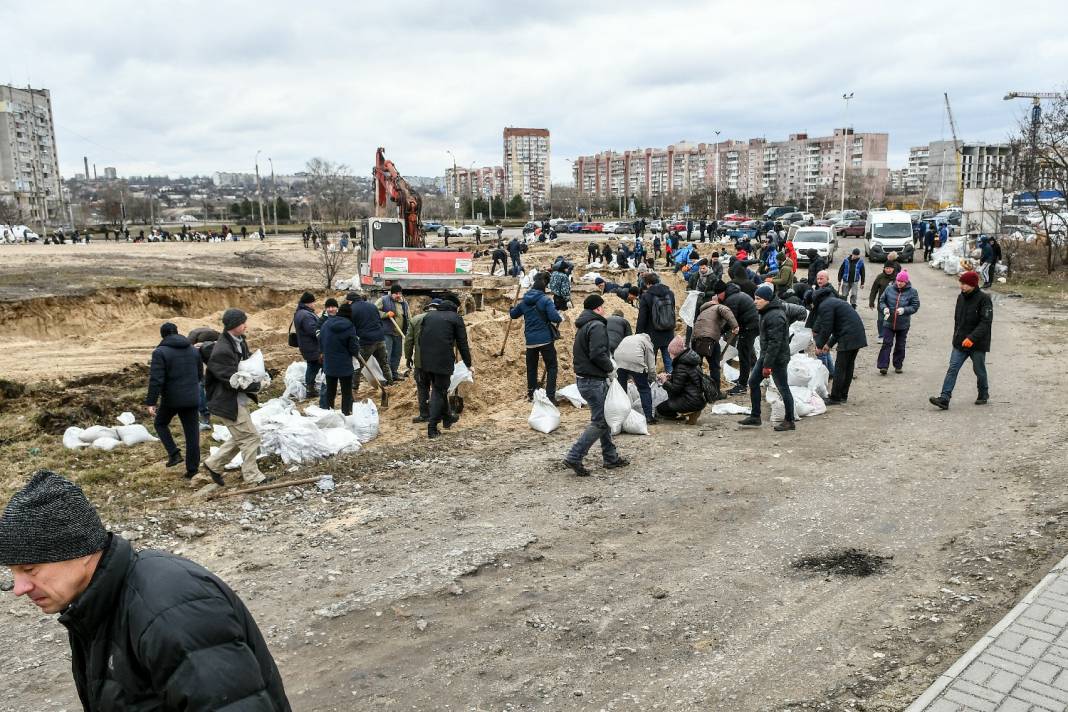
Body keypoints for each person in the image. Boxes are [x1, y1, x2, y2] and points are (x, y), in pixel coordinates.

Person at [0, 470, 291, 710]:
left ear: (83, 551)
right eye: (12, 572)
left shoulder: (171, 610)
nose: (19, 588)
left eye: (29, 569)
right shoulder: (94, 606)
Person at [199, 308, 267, 489]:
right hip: (226, 400)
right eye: (242, 322)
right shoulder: (222, 350)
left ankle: (214, 464)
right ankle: (252, 477)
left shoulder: (239, 342)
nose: (246, 325)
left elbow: (245, 367)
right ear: (233, 325)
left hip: (237, 399)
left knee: (242, 435)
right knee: (250, 437)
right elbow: (231, 380)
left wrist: (258, 375)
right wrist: (256, 385)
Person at [563, 294, 629, 476]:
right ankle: (575, 456)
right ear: (598, 308)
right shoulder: (597, 325)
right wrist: (610, 368)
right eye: (603, 307)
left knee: (604, 418)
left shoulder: (584, 326)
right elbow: (598, 354)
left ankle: (610, 457)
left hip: (585, 379)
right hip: (594, 380)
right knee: (600, 421)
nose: (604, 310)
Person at [738, 284, 802, 431]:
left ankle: (789, 420)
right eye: (755, 298)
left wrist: (767, 365)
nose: (755, 301)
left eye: (758, 299)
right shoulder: (766, 312)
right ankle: (755, 416)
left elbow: (775, 343)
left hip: (777, 359)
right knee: (753, 382)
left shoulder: (775, 316)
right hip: (766, 356)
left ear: (767, 299)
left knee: (783, 388)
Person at [144, 322, 202, 480]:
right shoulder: (193, 350)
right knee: (192, 435)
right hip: (192, 398)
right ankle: (192, 470)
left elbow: (156, 380)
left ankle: (174, 454)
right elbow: (199, 375)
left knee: (160, 423)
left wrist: (151, 402)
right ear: (177, 332)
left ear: (163, 336)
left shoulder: (160, 352)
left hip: (172, 399)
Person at [929, 271, 993, 410]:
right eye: (961, 283)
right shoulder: (961, 297)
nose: (962, 286)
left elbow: (985, 323)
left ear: (973, 284)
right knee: (952, 368)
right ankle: (944, 398)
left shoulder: (984, 299)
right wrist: (957, 337)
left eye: (964, 284)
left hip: (977, 343)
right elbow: (958, 320)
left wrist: (972, 338)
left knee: (979, 370)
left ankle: (983, 393)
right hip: (960, 343)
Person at [419, 295, 472, 438]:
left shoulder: (429, 316)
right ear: (456, 307)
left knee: (440, 390)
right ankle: (432, 427)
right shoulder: (456, 318)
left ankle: (448, 418)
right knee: (438, 390)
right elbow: (462, 343)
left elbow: (420, 338)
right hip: (442, 360)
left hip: (426, 360)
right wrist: (469, 364)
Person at [810, 285, 868, 405]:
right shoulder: (834, 302)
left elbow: (827, 327)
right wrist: (829, 344)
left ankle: (835, 397)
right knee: (848, 366)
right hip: (856, 334)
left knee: (841, 367)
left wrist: (819, 345)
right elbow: (839, 325)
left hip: (849, 336)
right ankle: (843, 395)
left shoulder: (825, 305)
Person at [509, 274, 563, 403]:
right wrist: (559, 316)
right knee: (552, 367)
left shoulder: (524, 301)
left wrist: (511, 308)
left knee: (531, 367)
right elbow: (555, 318)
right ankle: (550, 396)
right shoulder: (545, 300)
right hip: (545, 340)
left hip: (530, 341)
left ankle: (532, 394)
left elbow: (513, 315)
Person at [716, 280, 759, 396]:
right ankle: (752, 376)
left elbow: (731, 320)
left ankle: (742, 385)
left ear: (722, 292)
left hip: (750, 326)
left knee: (743, 353)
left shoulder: (731, 300)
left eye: (717, 295)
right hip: (751, 325)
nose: (718, 298)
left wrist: (718, 332)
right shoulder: (735, 295)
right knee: (748, 351)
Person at [319, 302, 361, 415]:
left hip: (330, 364)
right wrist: (356, 349)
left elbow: (320, 339)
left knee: (330, 391)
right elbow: (353, 348)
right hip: (344, 365)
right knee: (346, 391)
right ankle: (346, 413)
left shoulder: (327, 324)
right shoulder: (350, 326)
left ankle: (329, 413)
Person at [877, 270, 920, 375]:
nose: (899, 283)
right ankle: (883, 366)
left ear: (906, 282)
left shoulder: (912, 292)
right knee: (887, 343)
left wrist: (904, 310)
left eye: (902, 281)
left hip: (903, 324)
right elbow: (882, 301)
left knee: (900, 345)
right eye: (898, 281)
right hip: (888, 323)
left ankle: (898, 365)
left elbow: (915, 306)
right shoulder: (889, 289)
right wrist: (884, 308)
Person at [692, 294, 739, 389]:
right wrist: (735, 326)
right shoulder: (718, 307)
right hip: (709, 340)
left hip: (695, 339)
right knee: (714, 366)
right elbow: (726, 311)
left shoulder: (704, 310)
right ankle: (716, 392)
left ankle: (697, 390)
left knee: (696, 366)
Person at [347, 292, 393, 389]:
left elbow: (351, 327)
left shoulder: (351, 309)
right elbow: (380, 321)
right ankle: (390, 382)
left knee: (358, 365)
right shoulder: (372, 306)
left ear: (350, 301)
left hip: (366, 341)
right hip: (380, 338)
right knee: (384, 363)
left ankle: (354, 386)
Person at [656, 336, 706, 422]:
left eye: (670, 353)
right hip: (699, 398)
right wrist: (672, 376)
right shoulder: (691, 361)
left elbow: (675, 389)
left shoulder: (680, 366)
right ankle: (691, 412)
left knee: (660, 409)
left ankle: (683, 414)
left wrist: (664, 381)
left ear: (675, 353)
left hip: (690, 401)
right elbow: (687, 379)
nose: (670, 356)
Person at [404, 299, 439, 423]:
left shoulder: (415, 319)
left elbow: (408, 341)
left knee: (422, 388)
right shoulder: (442, 320)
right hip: (437, 362)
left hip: (420, 362)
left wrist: (408, 358)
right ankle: (436, 414)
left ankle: (424, 414)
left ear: (427, 308)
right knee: (437, 388)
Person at [636, 272, 677, 373]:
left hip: (652, 336)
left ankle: (651, 384)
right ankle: (672, 384)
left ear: (648, 283)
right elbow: (672, 311)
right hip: (668, 333)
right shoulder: (670, 294)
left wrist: (638, 335)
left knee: (650, 364)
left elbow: (642, 318)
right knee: (669, 362)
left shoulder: (646, 297)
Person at [614, 331, 657, 423]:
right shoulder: (647, 343)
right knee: (644, 388)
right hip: (635, 361)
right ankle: (649, 417)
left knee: (622, 390)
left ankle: (621, 416)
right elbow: (651, 364)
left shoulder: (628, 338)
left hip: (618, 360)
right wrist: (652, 377)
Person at [376, 284, 410, 381]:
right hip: (387, 332)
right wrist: (386, 314)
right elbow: (374, 310)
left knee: (397, 354)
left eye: (399, 293)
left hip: (399, 333)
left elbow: (408, 316)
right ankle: (386, 376)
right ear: (391, 293)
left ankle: (394, 374)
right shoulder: (383, 300)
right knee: (387, 354)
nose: (398, 295)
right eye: (396, 293)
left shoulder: (404, 303)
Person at [293, 291, 321, 399]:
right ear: (308, 303)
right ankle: (313, 389)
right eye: (313, 302)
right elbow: (313, 331)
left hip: (307, 346)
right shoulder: (306, 315)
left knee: (312, 366)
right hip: (312, 346)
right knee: (316, 366)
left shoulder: (300, 312)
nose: (314, 304)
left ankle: (311, 388)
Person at [868, 263, 899, 336]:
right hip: (882, 303)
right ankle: (881, 335)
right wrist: (871, 302)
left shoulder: (897, 277)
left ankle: (891, 334)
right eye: (886, 268)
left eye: (890, 268)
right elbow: (873, 290)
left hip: (894, 303)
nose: (888, 270)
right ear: (884, 268)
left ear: (893, 269)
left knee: (892, 320)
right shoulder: (880, 277)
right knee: (881, 320)